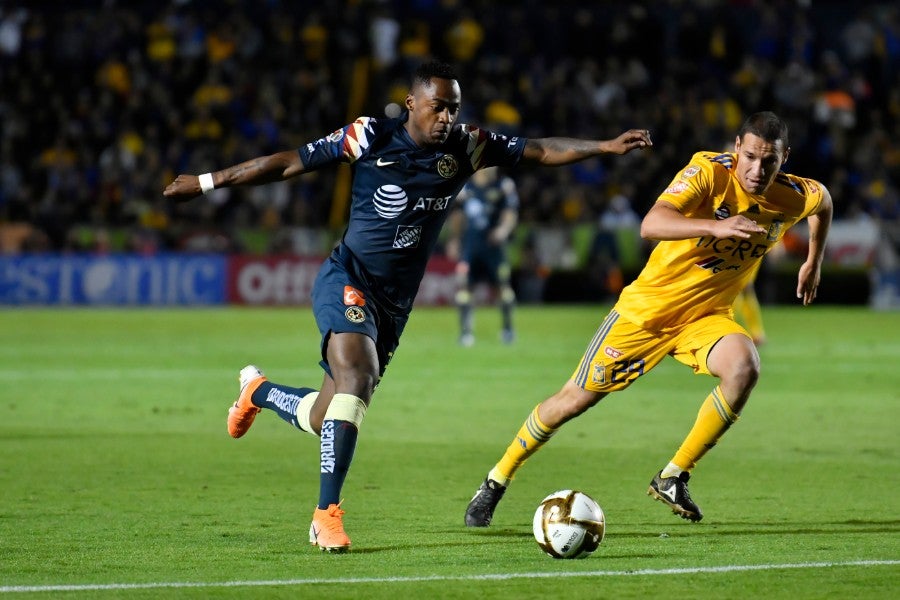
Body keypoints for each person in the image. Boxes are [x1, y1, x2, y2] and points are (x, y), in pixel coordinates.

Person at [163, 60, 652, 552]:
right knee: (357, 377)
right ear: (413, 103)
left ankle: (259, 392)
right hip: (348, 277)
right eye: (438, 107)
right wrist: (209, 182)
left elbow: (540, 150)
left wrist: (605, 146)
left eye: (454, 109)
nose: (446, 118)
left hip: (395, 304)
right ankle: (325, 516)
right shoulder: (369, 135)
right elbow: (290, 162)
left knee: (328, 415)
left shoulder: (467, 146)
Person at [465, 111, 832, 527]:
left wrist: (813, 262)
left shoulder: (796, 194)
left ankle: (674, 476)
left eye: (769, 161)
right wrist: (717, 227)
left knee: (745, 366)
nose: (757, 169)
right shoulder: (707, 172)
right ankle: (496, 479)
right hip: (645, 315)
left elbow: (824, 203)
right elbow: (651, 224)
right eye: (749, 156)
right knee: (572, 402)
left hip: (705, 317)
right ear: (736, 148)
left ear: (785, 158)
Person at [447, 166, 519, 346]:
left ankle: (508, 330)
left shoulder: (503, 185)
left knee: (503, 288)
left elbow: (510, 212)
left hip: (494, 248)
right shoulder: (466, 187)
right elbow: (457, 215)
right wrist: (455, 240)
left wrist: (503, 230)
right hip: (471, 246)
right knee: (464, 288)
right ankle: (465, 334)